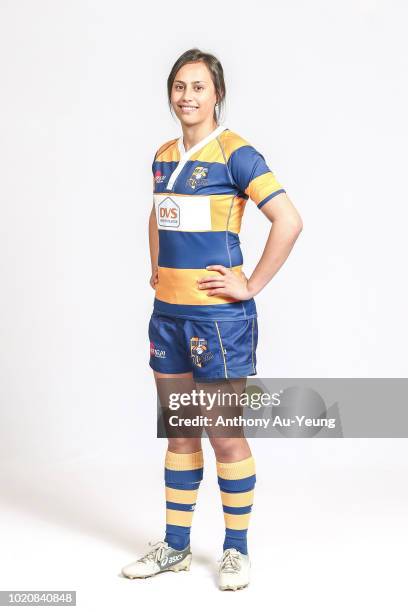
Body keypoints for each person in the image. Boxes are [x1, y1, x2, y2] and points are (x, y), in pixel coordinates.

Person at [121, 48, 303, 590]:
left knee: (224, 434)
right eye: (179, 86)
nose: (187, 96)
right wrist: (157, 268)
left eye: (198, 87)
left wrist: (250, 284)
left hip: (219, 323)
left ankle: (235, 551)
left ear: (216, 93)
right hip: (168, 317)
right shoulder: (162, 154)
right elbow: (158, 213)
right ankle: (176, 548)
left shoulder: (236, 153)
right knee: (180, 432)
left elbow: (288, 220)